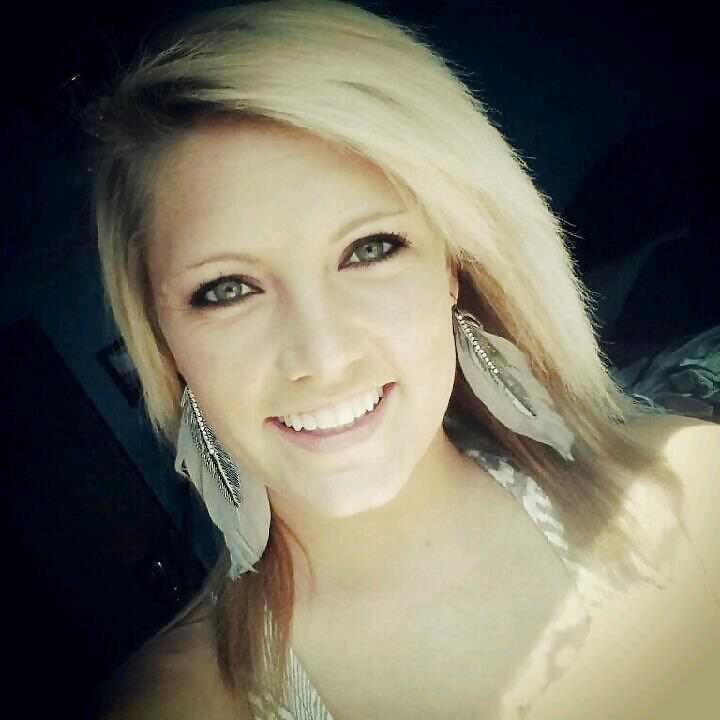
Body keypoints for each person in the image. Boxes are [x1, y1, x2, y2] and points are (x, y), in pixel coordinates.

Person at [90, 1, 720, 718]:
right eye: (228, 289)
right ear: (164, 342)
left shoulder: (694, 491)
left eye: (370, 249)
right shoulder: (167, 706)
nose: (324, 356)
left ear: (451, 266)